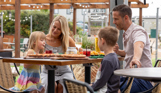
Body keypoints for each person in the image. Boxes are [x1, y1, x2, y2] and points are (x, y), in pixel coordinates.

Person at [112, 4, 153, 92]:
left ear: (126, 18)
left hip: (142, 80)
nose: (113, 22)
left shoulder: (137, 31)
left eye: (116, 19)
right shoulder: (126, 33)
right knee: (108, 85)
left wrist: (136, 59)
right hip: (130, 77)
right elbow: (129, 52)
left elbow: (139, 45)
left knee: (115, 90)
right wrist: (118, 51)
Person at [40, 15, 77, 93]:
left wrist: (76, 51)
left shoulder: (67, 40)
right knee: (52, 85)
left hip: (64, 72)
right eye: (54, 27)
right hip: (47, 72)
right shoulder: (44, 40)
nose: (55, 30)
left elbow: (76, 52)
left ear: (63, 30)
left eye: (59, 29)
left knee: (62, 86)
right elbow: (36, 53)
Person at [91, 26, 120, 93]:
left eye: (98, 40)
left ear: (102, 41)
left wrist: (91, 87)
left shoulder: (107, 60)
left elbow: (102, 81)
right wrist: (93, 84)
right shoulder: (114, 57)